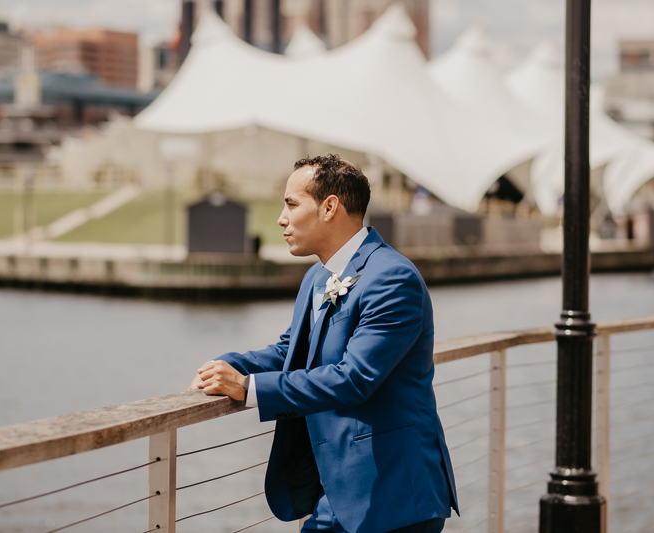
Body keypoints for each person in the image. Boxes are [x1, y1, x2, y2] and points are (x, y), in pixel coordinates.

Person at [188, 154, 458, 533]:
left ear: (330, 207)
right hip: (335, 491)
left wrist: (248, 389)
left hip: (393, 496)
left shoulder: (393, 279)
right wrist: (228, 365)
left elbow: (354, 379)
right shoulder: (318, 277)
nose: (281, 218)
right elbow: (290, 351)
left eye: (291, 204)